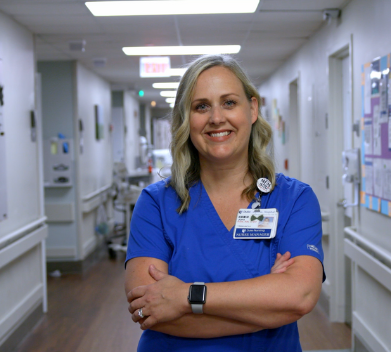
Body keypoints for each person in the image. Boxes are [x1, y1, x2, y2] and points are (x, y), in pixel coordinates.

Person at [124, 54, 324, 351]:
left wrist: (186, 297)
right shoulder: (156, 204)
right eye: (201, 106)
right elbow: (151, 312)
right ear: (185, 119)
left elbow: (300, 297)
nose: (217, 118)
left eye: (229, 102)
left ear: (252, 108)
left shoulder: (294, 199)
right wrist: (268, 307)